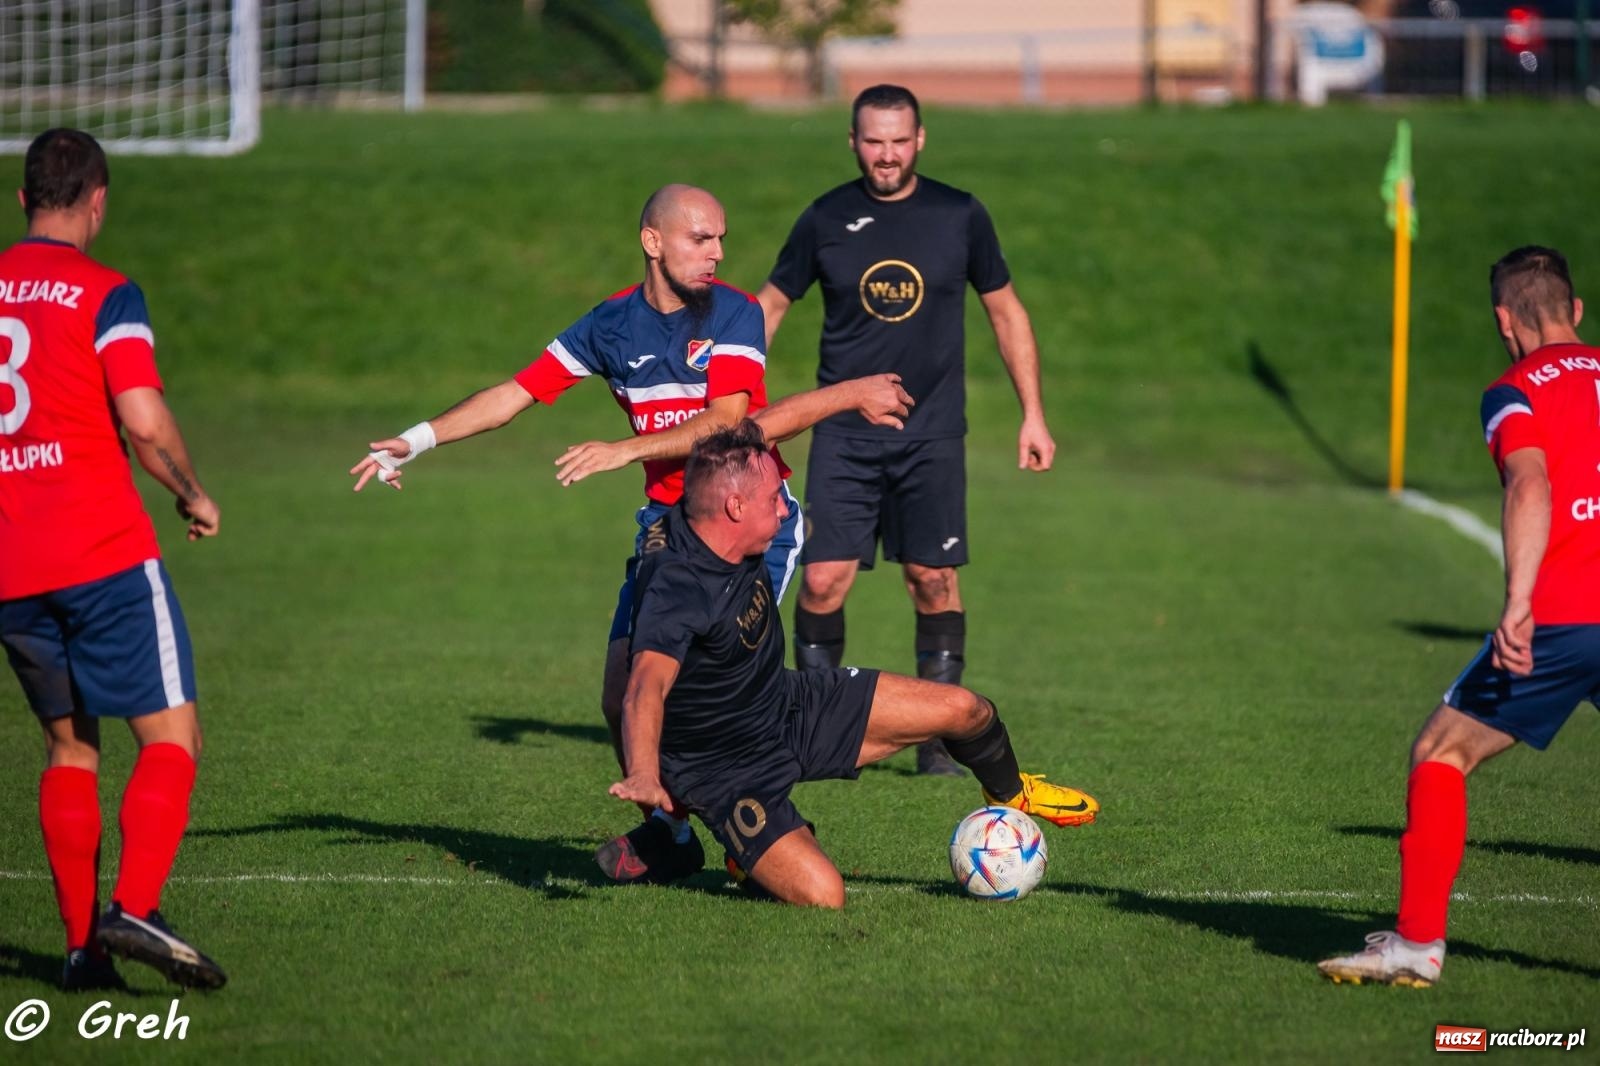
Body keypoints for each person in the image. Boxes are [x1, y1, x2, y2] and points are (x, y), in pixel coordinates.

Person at [350, 184, 912, 884]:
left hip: (750, 525)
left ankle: (763, 825)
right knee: (621, 695)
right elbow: (514, 394)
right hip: (668, 530)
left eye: (720, 238)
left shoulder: (734, 313)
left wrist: (625, 451)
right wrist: (415, 441)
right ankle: (670, 832)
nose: (717, 253)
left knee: (710, 691)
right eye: (699, 239)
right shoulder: (610, 326)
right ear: (653, 242)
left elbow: (730, 424)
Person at [609, 420, 1097, 906]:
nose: (785, 510)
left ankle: (1011, 794)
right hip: (725, 768)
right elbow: (643, 687)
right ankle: (741, 855)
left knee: (967, 711)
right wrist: (647, 773)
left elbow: (781, 418)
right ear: (734, 507)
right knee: (825, 896)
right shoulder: (679, 589)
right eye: (773, 500)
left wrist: (857, 394)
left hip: (787, 705)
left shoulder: (718, 510)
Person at [756, 84, 1057, 777]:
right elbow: (771, 304)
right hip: (843, 434)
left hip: (932, 436)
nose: (885, 154)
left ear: (920, 139)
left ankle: (939, 738)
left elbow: (1006, 312)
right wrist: (743, 401)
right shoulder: (825, 217)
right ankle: (818, 734)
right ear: (853, 141)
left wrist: (1032, 413)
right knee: (824, 581)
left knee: (932, 579)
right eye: (872, 140)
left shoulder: (960, 215)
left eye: (898, 140)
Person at [1319, 246, 1597, 988]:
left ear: (1505, 322)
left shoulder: (1514, 390)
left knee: (1443, 752)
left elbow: (1530, 483)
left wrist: (1519, 601)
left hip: (1570, 619)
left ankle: (1415, 944)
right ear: (1575, 309)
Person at [0, 129, 226, 990]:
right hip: (100, 551)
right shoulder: (105, 292)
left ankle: (79, 950)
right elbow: (140, 416)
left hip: (11, 565)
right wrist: (192, 492)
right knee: (172, 736)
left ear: (24, 201)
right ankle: (132, 903)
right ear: (97, 200)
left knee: (69, 749)